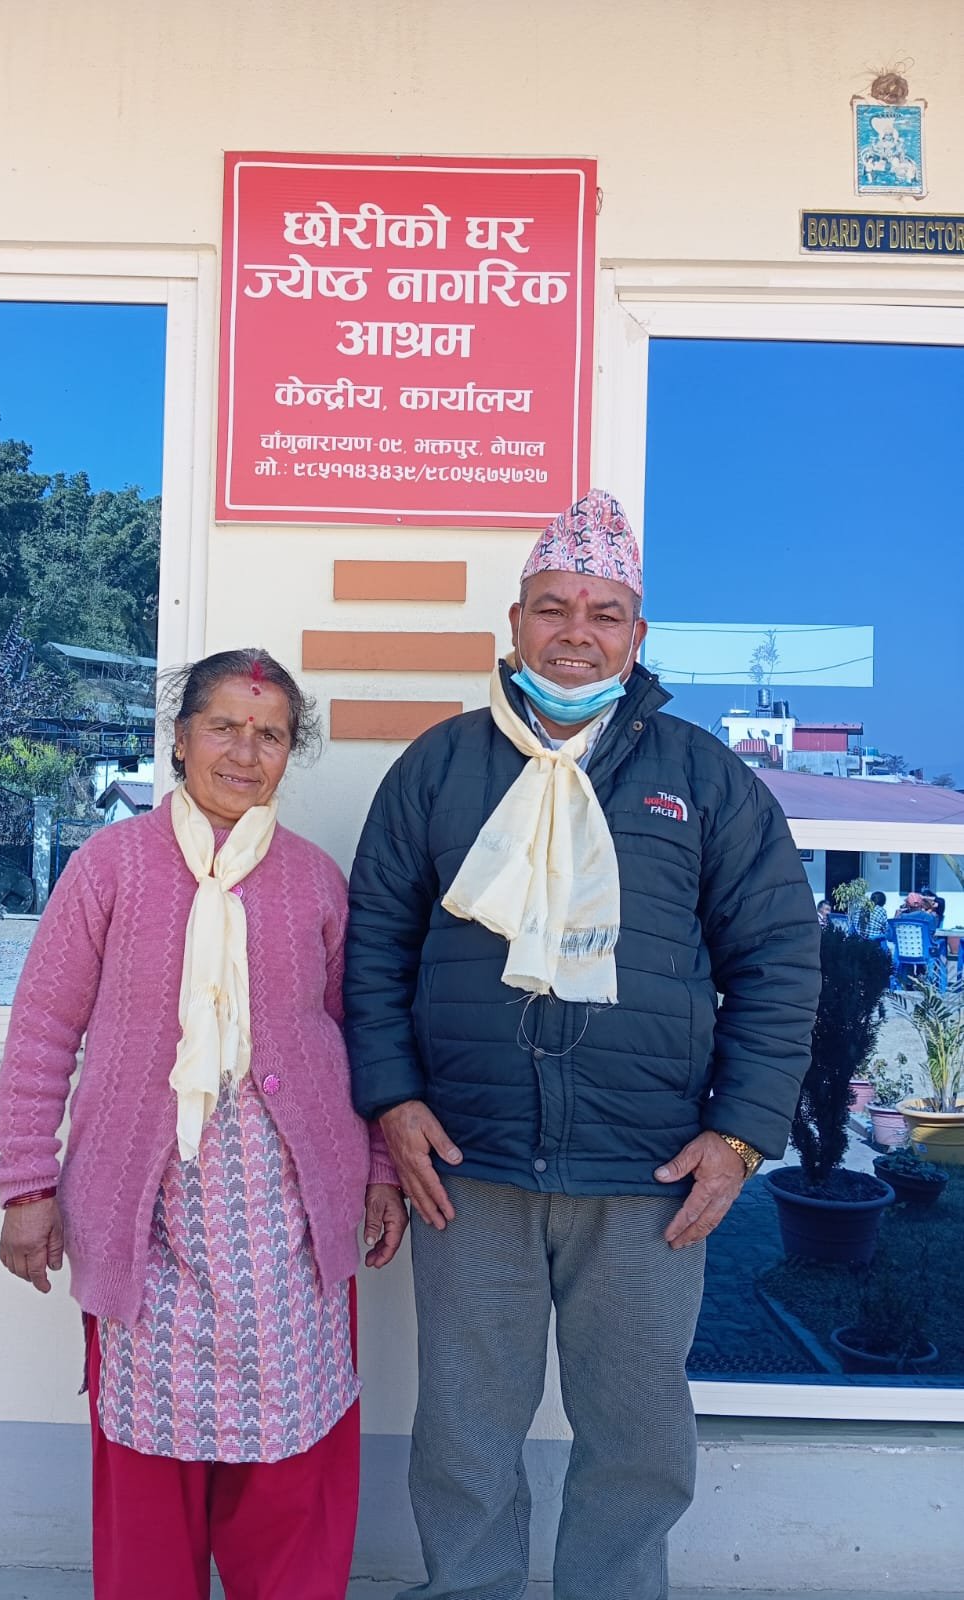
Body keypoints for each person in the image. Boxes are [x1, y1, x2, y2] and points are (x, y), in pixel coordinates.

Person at [344, 491, 821, 1600]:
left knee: (637, 1435)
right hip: (468, 1164)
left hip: (648, 1172)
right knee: (464, 1430)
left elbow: (777, 963)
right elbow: (371, 951)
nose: (576, 632)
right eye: (553, 607)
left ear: (636, 635)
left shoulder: (703, 779)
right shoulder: (439, 767)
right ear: (514, 624)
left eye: (604, 613)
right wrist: (392, 1103)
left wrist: (740, 1136)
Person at [0, 648, 406, 1600]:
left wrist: (381, 1168)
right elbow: (44, 1029)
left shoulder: (314, 881)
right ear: (180, 740)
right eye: (224, 727)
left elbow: (363, 1035)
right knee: (150, 1467)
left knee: (291, 1460)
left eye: (270, 735)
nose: (245, 753)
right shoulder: (111, 868)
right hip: (151, 1218)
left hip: (289, 1225)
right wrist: (26, 1185)